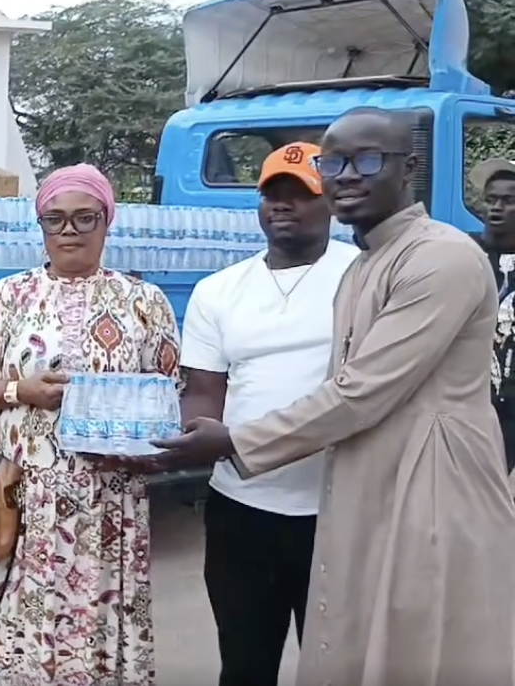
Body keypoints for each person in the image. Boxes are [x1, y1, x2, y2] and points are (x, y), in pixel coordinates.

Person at [135, 108, 515, 686]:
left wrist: (236, 441)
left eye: (368, 160)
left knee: (422, 653)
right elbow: (213, 388)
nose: (348, 176)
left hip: (428, 487)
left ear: (408, 167)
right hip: (345, 490)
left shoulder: (439, 257)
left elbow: (361, 392)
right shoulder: (368, 263)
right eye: (334, 163)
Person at [0, 164, 180, 685]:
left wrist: (142, 444)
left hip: (106, 499)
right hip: (14, 497)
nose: (69, 230)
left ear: (107, 221)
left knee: (93, 618)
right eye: (55, 219)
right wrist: (19, 391)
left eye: (84, 217)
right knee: (7, 626)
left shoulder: (144, 303)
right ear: (41, 225)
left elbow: (168, 395)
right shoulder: (4, 298)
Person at [181, 142, 360, 686]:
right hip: (241, 511)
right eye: (271, 194)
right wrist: (186, 439)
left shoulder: (363, 278)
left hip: (339, 510)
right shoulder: (217, 291)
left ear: (330, 201)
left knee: (337, 668)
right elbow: (203, 392)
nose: (282, 205)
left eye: (299, 194)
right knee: (245, 664)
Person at [469, 157, 515, 473]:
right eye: (491, 199)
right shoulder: (464, 253)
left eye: (508, 200)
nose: (496, 208)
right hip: (470, 403)